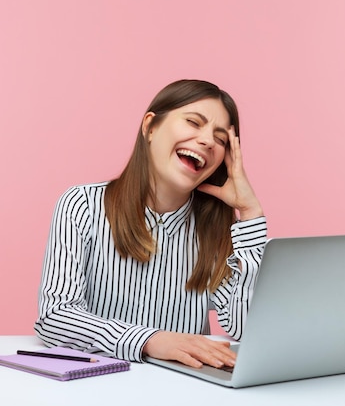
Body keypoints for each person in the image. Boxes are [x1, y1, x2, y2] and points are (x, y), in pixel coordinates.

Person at [34, 79, 267, 369]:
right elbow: (55, 317)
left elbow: (246, 327)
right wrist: (151, 340)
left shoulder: (215, 229)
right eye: (194, 122)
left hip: (186, 388)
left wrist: (250, 213)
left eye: (220, 139)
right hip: (98, 384)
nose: (207, 141)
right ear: (150, 127)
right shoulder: (83, 205)